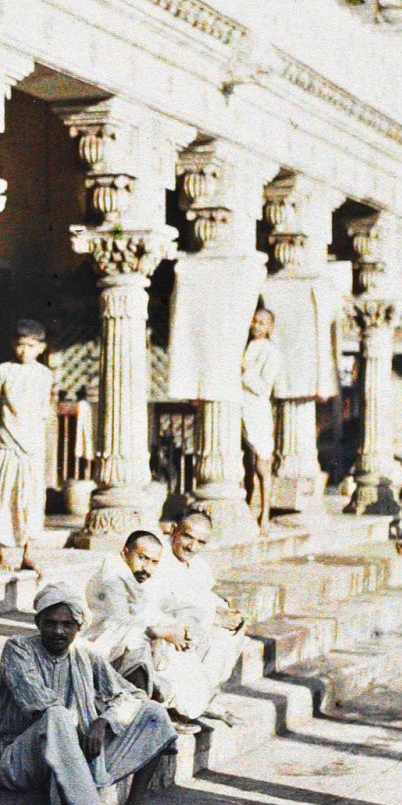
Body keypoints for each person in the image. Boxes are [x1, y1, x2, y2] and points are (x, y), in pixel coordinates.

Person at [0, 582, 179, 805]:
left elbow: (130, 694)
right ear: (37, 623)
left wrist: (104, 721)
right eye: (51, 623)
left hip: (77, 751)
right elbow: (39, 703)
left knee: (153, 713)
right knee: (57, 717)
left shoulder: (84, 653)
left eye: (67, 624)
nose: (58, 631)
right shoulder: (18, 649)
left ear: (79, 627)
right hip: (23, 760)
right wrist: (84, 726)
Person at [85, 529, 240, 728]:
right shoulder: (111, 578)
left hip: (127, 643)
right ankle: (154, 712)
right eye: (142, 558)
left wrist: (183, 625)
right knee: (146, 643)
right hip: (102, 649)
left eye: (154, 562)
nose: (147, 568)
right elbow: (121, 623)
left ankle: (175, 709)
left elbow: (158, 608)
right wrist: (162, 633)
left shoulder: (136, 579)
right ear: (125, 553)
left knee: (187, 633)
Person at [151, 515, 248, 727]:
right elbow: (165, 603)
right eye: (188, 537)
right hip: (160, 628)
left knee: (230, 632)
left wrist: (224, 610)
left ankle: (203, 700)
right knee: (185, 632)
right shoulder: (157, 557)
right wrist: (213, 618)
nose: (192, 547)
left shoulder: (196, 564)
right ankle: (173, 707)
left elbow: (203, 595)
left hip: (196, 622)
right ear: (174, 530)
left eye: (201, 542)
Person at [0, 321, 53, 574]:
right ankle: (4, 550)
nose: (24, 351)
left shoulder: (44, 375)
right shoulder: (3, 370)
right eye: (20, 345)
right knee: (5, 496)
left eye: (30, 346)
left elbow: (43, 413)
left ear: (41, 347)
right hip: (8, 445)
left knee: (32, 498)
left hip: (33, 447)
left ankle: (29, 551)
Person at [240, 307, 280, 531]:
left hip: (257, 410)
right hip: (240, 408)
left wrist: (244, 371)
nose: (256, 326)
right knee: (245, 464)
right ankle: (246, 507)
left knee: (262, 465)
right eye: (254, 321)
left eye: (262, 322)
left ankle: (264, 514)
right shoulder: (246, 345)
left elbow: (264, 387)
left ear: (270, 327)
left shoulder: (270, 351)